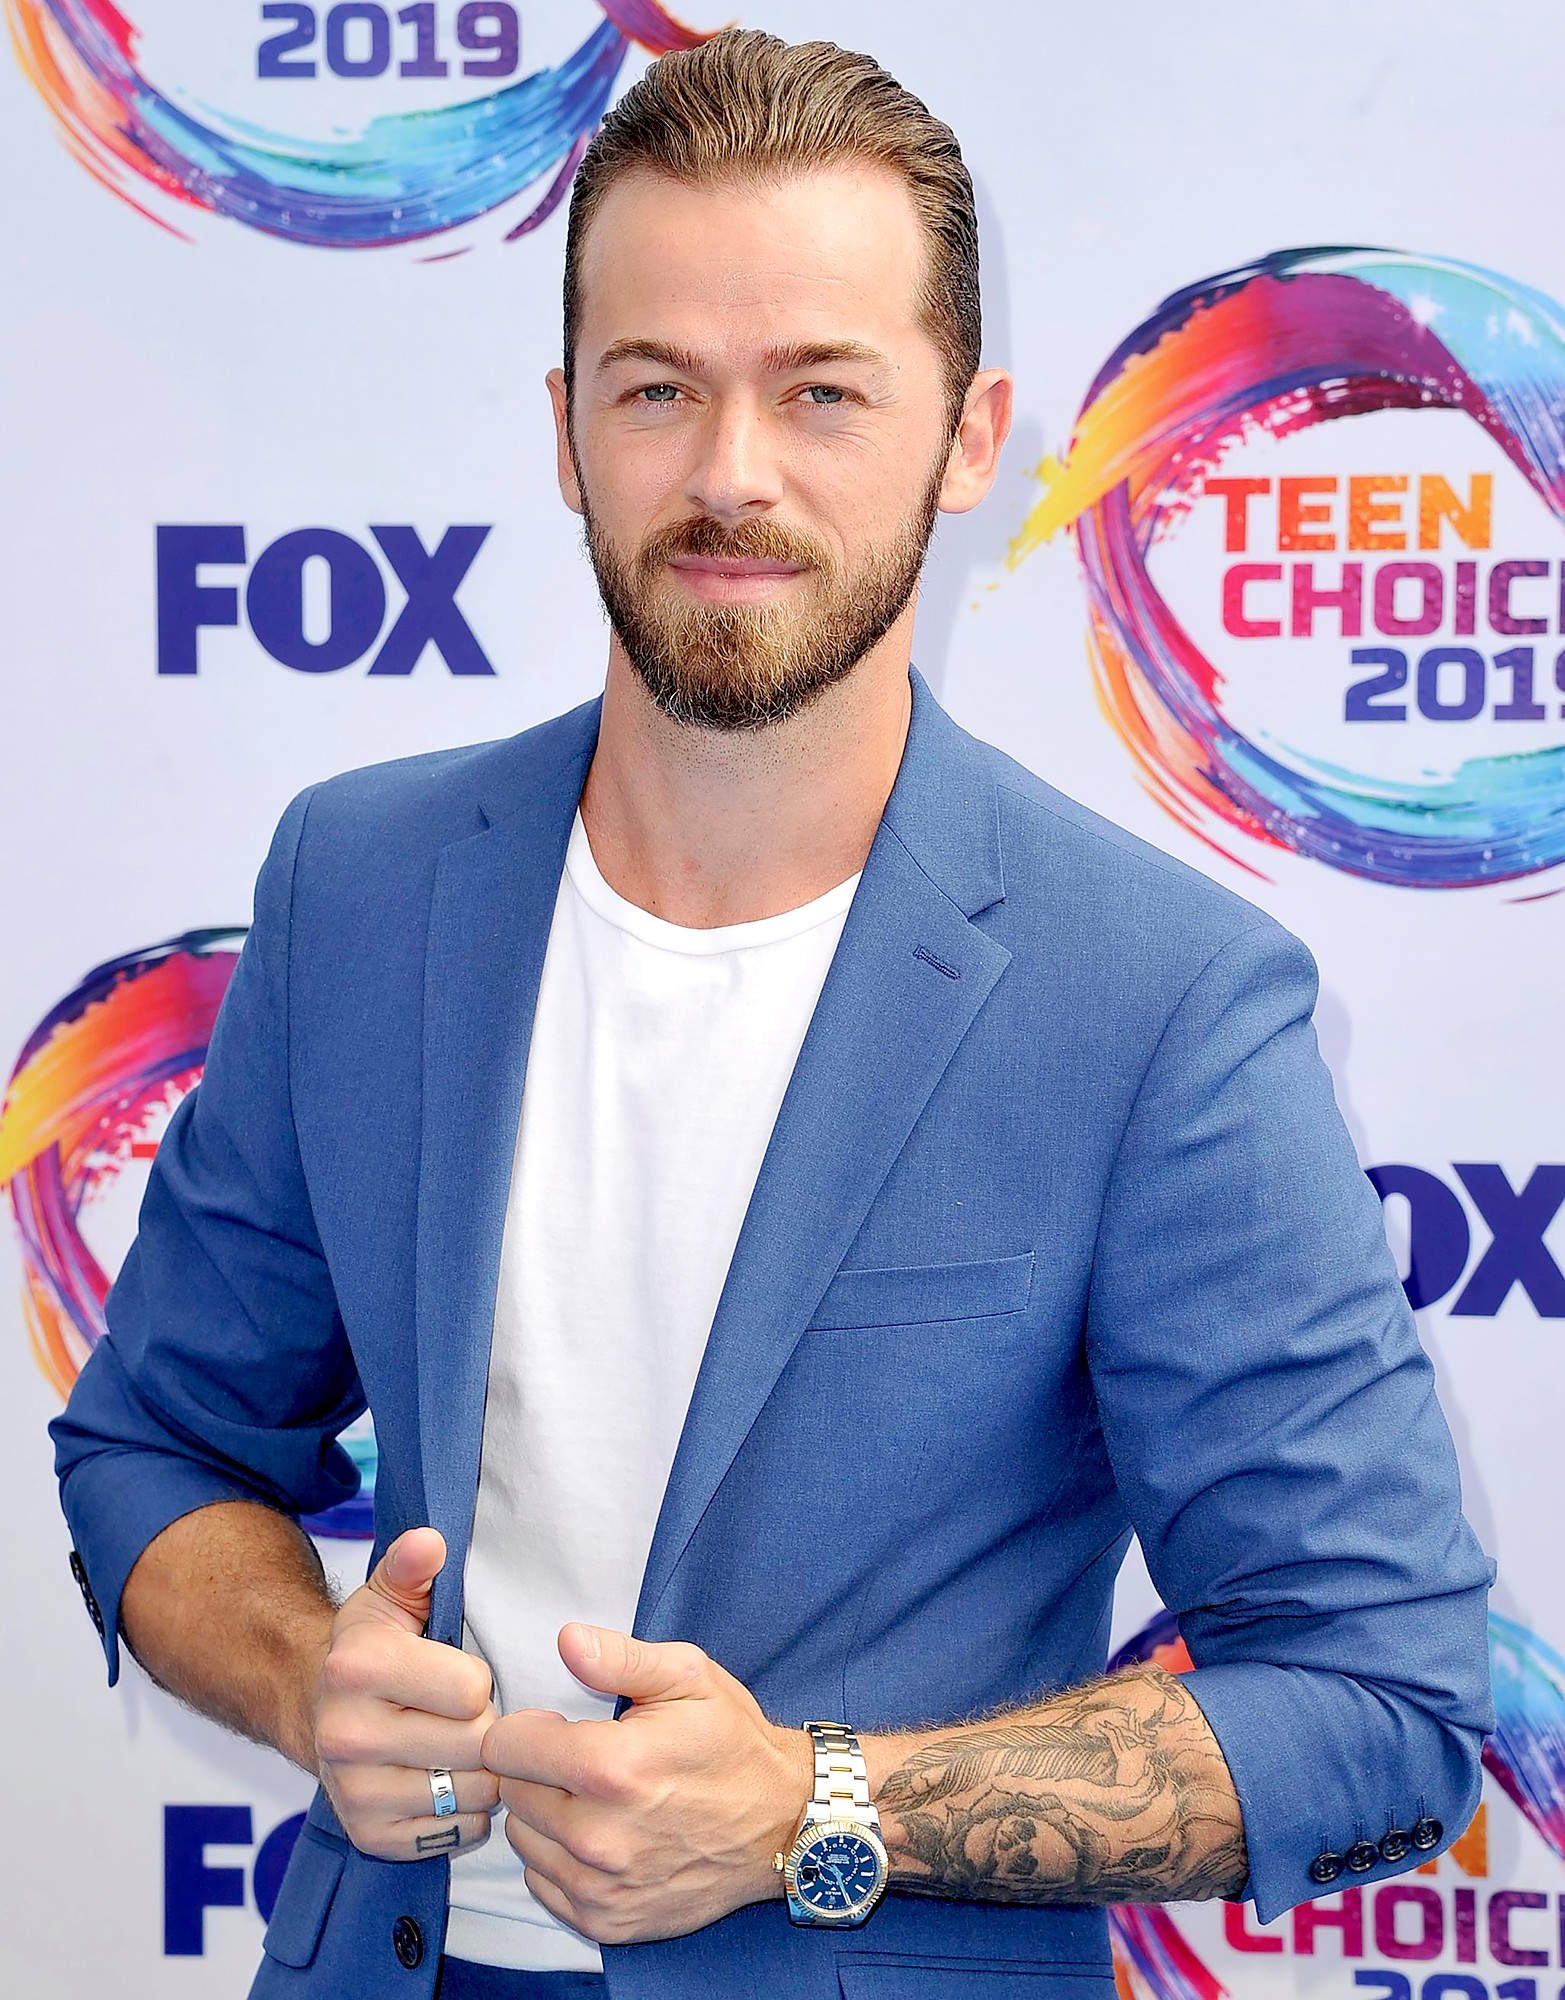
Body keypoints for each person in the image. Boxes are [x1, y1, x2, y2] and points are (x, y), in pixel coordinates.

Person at [53, 29, 1493, 2000]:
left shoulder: (1157, 996)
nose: (732, 472)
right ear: (566, 428)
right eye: (658, 388)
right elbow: (153, 1444)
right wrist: (310, 1677)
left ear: (968, 436)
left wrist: (820, 1806)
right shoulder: (362, 883)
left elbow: (1380, 1697)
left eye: (822, 390)